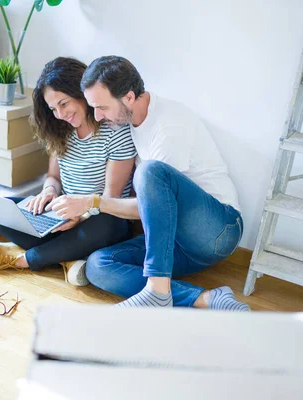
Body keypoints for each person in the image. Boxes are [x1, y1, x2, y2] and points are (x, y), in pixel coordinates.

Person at [46, 55, 250, 310]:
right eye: (93, 108)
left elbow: (155, 207)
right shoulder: (129, 120)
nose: (97, 116)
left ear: (129, 97)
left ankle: (157, 289)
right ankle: (207, 299)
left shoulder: (170, 125)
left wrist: (90, 202)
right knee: (98, 266)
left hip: (218, 229)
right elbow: (157, 213)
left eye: (103, 108)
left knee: (148, 172)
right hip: (176, 242)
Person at [0, 57, 136, 286]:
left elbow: (111, 199)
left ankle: (26, 259)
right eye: (53, 108)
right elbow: (54, 177)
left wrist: (80, 216)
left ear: (82, 92)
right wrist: (48, 192)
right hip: (63, 215)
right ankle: (67, 258)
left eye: (64, 103)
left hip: (98, 218)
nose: (59, 114)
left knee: (108, 224)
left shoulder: (116, 131)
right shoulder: (60, 130)